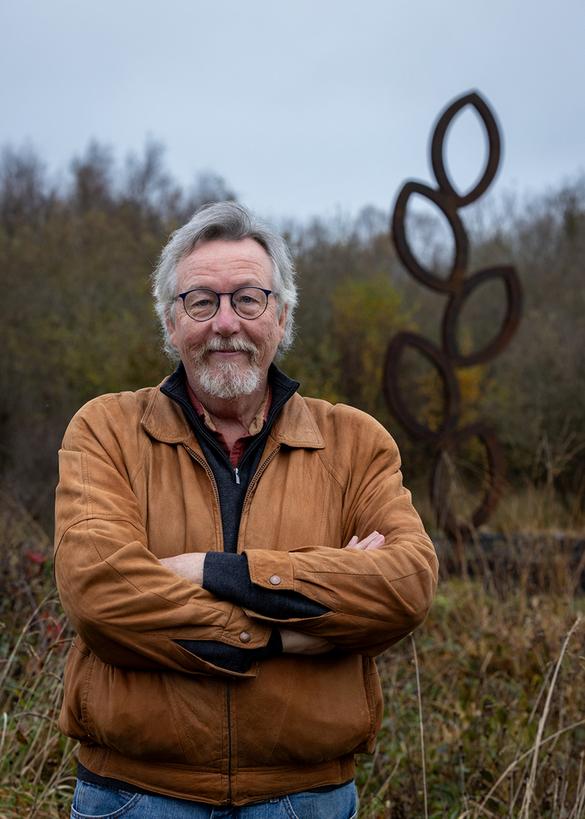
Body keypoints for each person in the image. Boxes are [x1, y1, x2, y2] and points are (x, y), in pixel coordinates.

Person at [55, 202, 438, 819]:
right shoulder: (105, 431)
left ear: (282, 317)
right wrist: (281, 637)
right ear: (170, 321)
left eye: (249, 300)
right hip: (135, 796)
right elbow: (99, 593)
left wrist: (212, 570)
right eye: (201, 301)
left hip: (305, 799)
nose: (225, 323)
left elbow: (405, 585)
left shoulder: (356, 441)